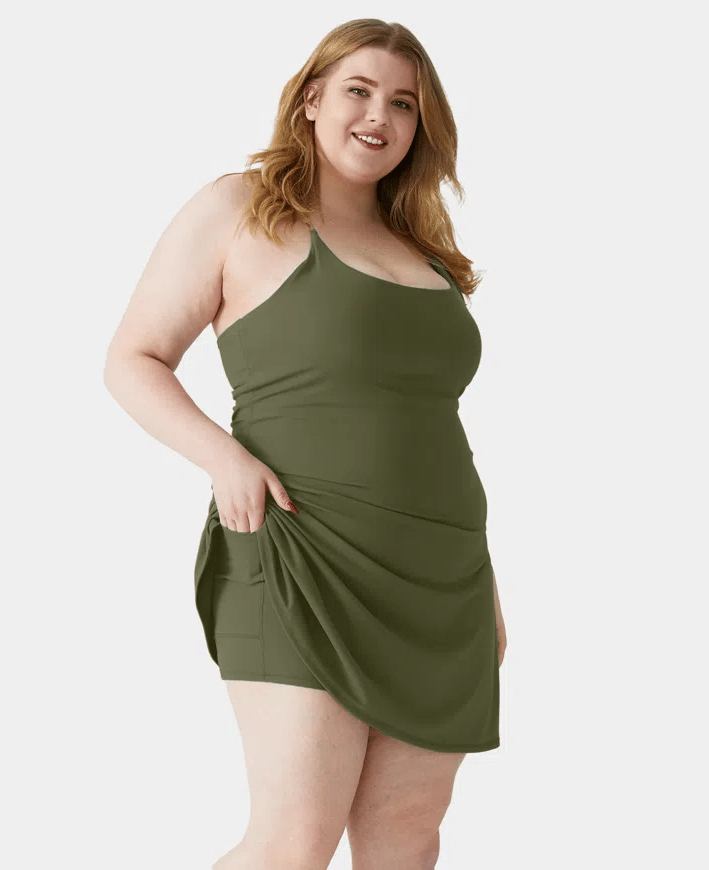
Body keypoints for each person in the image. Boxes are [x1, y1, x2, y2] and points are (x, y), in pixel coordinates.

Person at [104, 18, 507, 870]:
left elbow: (430, 428)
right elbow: (133, 359)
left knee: (406, 838)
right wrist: (223, 457)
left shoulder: (423, 250)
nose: (380, 115)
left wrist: (487, 589)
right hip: (295, 547)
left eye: (404, 103)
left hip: (443, 576)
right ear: (312, 98)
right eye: (359, 90)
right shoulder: (240, 208)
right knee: (293, 842)